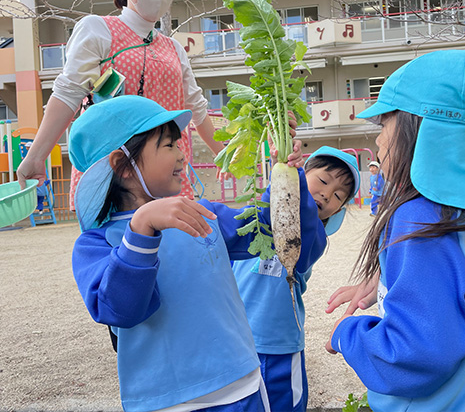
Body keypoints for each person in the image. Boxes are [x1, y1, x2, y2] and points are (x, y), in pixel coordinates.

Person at [68, 95, 314, 412]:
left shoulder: (202, 214)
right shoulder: (95, 244)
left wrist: (286, 171)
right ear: (122, 166)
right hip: (167, 401)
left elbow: (268, 227)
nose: (182, 155)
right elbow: (121, 310)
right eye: (169, 146)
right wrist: (141, 228)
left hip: (241, 385)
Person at [324, 50, 465, 412]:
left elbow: (414, 359)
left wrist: (347, 336)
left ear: (420, 129)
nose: (378, 142)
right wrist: (389, 279)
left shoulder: (420, 219)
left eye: (384, 124)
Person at [17, 0, 226, 206]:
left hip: (164, 172)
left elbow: (196, 107)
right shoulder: (98, 29)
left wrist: (222, 154)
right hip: (112, 171)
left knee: (171, 242)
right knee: (114, 243)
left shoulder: (174, 49)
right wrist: (36, 156)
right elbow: (68, 93)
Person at [232, 145, 360, 412]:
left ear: (338, 211)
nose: (326, 193)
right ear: (305, 173)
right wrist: (285, 169)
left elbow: (303, 219)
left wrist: (296, 180)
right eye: (323, 181)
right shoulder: (258, 217)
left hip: (280, 343)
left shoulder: (316, 240)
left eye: (338, 195)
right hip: (237, 340)